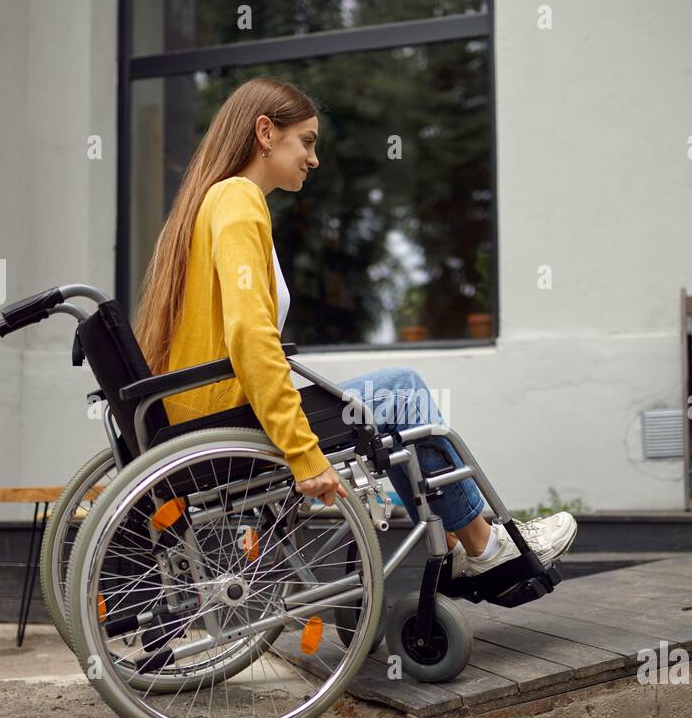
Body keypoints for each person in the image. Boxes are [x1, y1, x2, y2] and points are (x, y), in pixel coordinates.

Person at [132, 77, 577, 577]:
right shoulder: (237, 199)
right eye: (306, 141)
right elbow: (249, 336)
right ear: (264, 132)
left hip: (206, 419)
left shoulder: (211, 202)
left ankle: (460, 541)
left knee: (392, 404)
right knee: (402, 394)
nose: (313, 158)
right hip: (232, 421)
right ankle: (484, 545)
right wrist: (303, 454)